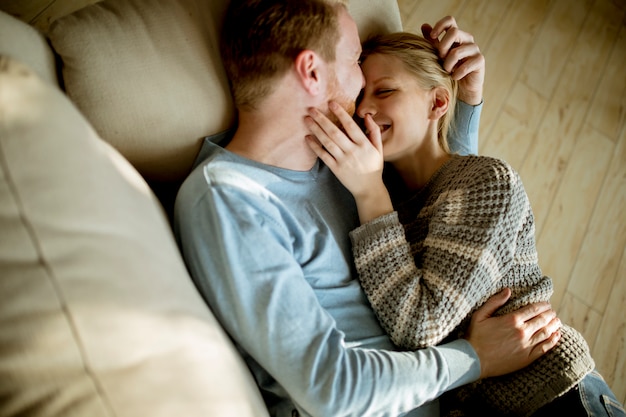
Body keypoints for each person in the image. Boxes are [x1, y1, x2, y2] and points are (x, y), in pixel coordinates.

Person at [174, 1, 562, 416]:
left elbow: (440, 208)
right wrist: (475, 359)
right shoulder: (230, 199)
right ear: (311, 72)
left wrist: (461, 102)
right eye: (356, 59)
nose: (362, 89)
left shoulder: (346, 159)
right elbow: (331, 388)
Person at [304, 30, 626, 416]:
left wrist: (370, 192)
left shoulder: (487, 183)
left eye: (385, 91)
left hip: (553, 397)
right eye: (358, 99)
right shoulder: (392, 195)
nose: (363, 111)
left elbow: (419, 326)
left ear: (438, 101)